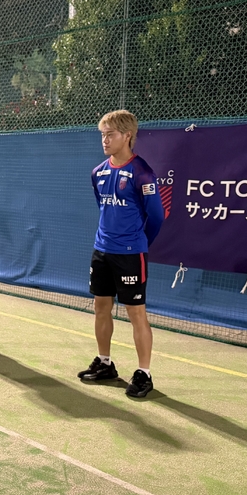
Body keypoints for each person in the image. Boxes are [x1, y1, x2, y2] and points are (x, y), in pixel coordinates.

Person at [77, 110, 164, 398]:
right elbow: (103, 207)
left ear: (127, 136)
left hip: (130, 254)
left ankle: (144, 373)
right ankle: (105, 363)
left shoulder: (142, 172)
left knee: (136, 312)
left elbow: (156, 216)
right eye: (102, 134)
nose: (104, 139)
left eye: (110, 134)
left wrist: (138, 243)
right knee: (101, 307)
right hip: (101, 251)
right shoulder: (98, 173)